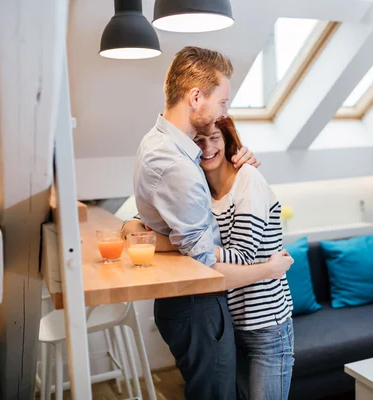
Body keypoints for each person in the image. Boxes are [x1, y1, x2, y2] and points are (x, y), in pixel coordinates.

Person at [127, 46, 294, 400]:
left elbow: (201, 243)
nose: (224, 111)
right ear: (196, 96)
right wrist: (271, 269)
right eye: (222, 101)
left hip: (255, 320)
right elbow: (203, 260)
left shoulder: (162, 148)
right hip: (210, 310)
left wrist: (153, 237)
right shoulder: (183, 169)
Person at [194, 116, 294, 400]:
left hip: (268, 327)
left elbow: (243, 255)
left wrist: (191, 249)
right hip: (233, 324)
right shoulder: (203, 193)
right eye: (198, 140)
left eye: (214, 137)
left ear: (227, 141)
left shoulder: (247, 178)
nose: (207, 147)